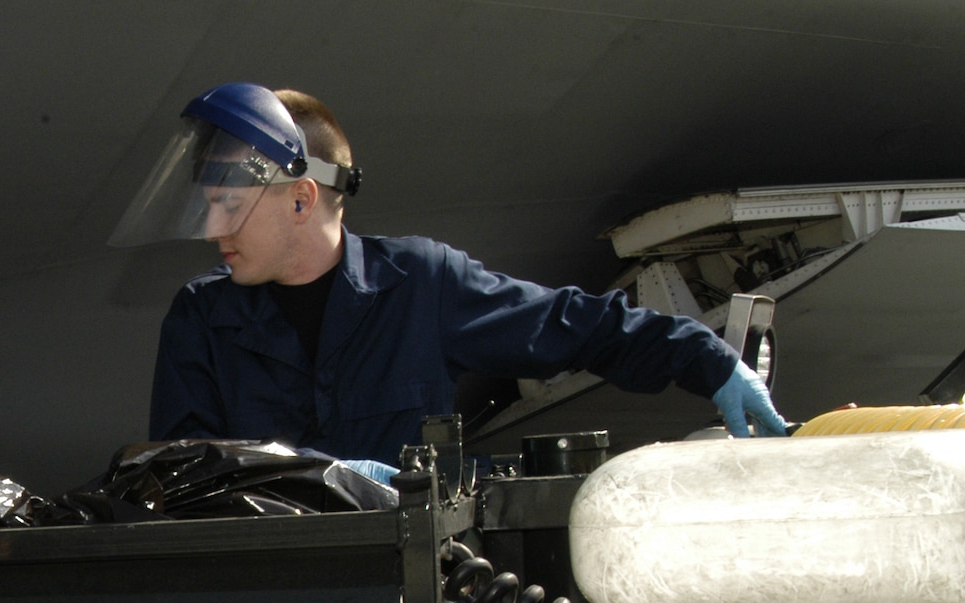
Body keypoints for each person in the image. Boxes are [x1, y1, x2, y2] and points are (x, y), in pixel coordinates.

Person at [110, 83, 789, 464]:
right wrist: (322, 480)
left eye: (230, 205)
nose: (214, 230)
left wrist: (711, 361)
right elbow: (182, 475)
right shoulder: (202, 318)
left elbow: (575, 327)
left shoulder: (421, 286)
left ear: (300, 195)